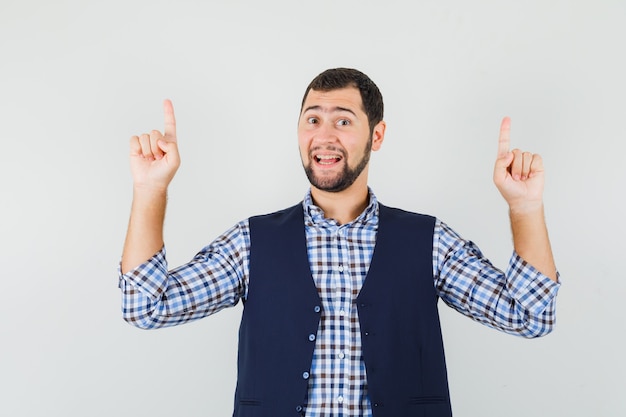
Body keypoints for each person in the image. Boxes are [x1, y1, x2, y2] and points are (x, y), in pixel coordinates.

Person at [119, 68, 560, 417]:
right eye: (312, 119)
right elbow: (145, 307)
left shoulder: (429, 242)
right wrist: (150, 190)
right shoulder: (250, 242)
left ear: (377, 136)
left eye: (343, 121)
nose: (324, 136)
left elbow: (530, 315)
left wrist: (524, 209)